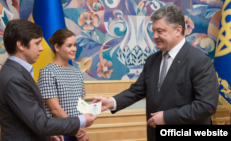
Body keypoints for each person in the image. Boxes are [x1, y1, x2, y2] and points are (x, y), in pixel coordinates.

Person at [92, 4, 218, 141]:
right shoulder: (153, 60)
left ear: (178, 30)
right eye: (153, 31)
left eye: (160, 31)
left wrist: (166, 117)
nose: (154, 36)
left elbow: (206, 106)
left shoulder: (199, 60)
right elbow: (137, 90)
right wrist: (111, 102)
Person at [0, 19, 96, 141]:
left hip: (60, 128)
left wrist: (81, 121)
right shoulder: (15, 78)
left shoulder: (19, 72)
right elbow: (51, 113)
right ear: (20, 45)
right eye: (37, 43)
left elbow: (31, 117)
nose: (41, 48)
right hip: (65, 128)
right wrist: (81, 121)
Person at [37, 29, 89, 141]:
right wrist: (77, 129)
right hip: (60, 134)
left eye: (75, 45)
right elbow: (55, 109)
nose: (74, 49)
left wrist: (83, 126)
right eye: (69, 45)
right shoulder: (47, 72)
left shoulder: (77, 72)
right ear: (57, 47)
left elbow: (82, 103)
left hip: (79, 132)